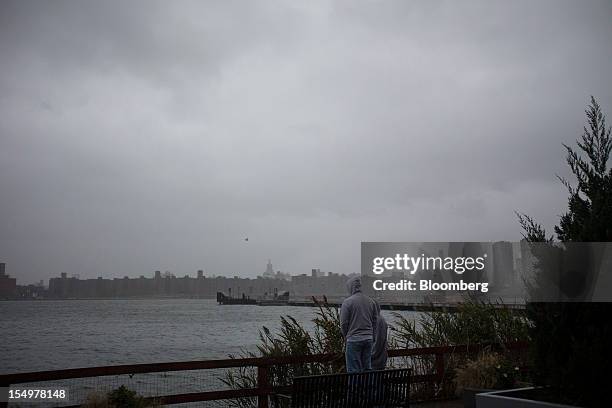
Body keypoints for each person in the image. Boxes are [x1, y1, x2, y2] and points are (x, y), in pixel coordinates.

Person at [340, 276, 378, 373]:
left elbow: (344, 323)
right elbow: (375, 322)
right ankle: (368, 387)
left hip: (353, 340)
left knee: (354, 370)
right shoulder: (371, 302)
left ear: (351, 287)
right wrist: (372, 336)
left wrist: (346, 336)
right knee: (367, 368)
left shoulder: (347, 302)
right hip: (368, 339)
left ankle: (355, 388)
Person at [371, 301, 388, 371]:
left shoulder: (377, 321)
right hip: (381, 360)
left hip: (375, 363)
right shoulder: (382, 320)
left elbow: (377, 342)